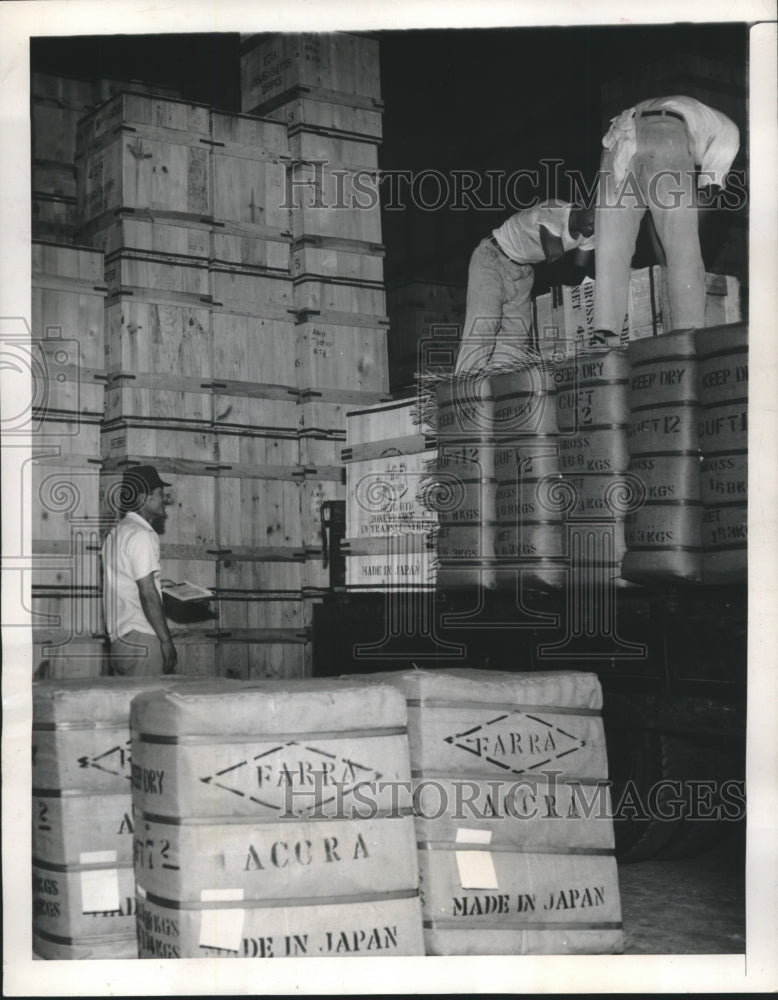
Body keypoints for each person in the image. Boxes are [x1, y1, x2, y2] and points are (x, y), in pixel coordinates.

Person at [592, 95, 740, 340]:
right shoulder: (730, 134)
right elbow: (708, 194)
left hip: (619, 136)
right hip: (664, 132)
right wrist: (682, 242)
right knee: (684, 245)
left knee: (611, 241)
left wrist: (663, 249)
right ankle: (689, 332)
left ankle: (606, 331)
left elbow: (656, 216)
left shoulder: (701, 115)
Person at [454, 200, 595, 374]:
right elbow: (555, 258)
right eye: (593, 221)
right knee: (483, 326)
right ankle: (464, 386)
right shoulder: (554, 211)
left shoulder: (590, 229)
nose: (592, 229)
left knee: (516, 337)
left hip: (523, 270)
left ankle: (500, 385)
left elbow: (579, 268)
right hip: (493, 258)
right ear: (582, 206)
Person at [102, 464, 178, 675]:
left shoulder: (117, 534)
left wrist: (160, 585)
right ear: (144, 498)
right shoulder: (141, 535)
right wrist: (166, 640)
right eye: (160, 493)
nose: (164, 499)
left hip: (121, 642)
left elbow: (127, 582)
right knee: (152, 698)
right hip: (142, 639)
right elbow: (147, 594)